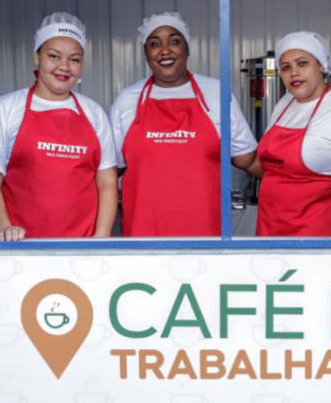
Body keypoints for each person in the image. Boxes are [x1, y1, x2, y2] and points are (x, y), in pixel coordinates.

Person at [110, 12, 258, 236]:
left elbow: (247, 159)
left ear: (187, 49)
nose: (165, 50)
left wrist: (295, 186)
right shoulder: (127, 101)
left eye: (175, 41)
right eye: (154, 44)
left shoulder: (217, 94)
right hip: (143, 236)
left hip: (205, 236)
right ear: (146, 54)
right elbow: (109, 173)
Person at [0, 12, 118, 239]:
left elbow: (106, 181)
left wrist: (102, 235)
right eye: (54, 56)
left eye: (74, 59)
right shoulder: (7, 108)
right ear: (37, 57)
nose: (64, 67)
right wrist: (4, 228)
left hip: (82, 247)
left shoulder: (94, 113)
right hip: (19, 246)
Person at [253, 31, 331, 237]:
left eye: (302, 63)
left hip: (320, 232)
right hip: (271, 226)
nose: (293, 72)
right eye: (285, 67)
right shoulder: (284, 104)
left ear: (322, 66)